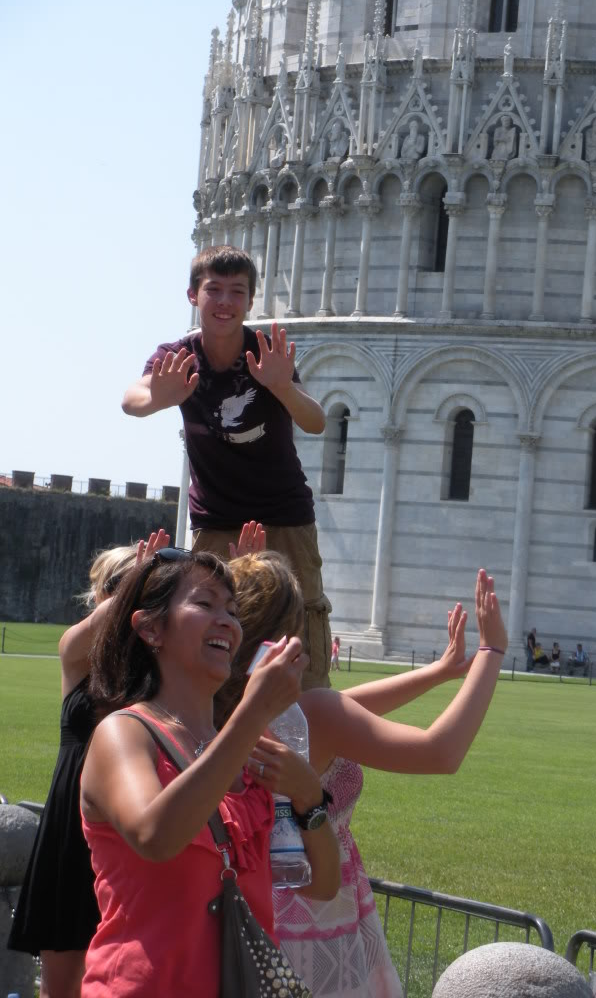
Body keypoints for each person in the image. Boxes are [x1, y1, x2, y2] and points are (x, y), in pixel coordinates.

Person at [221, 551, 509, 998]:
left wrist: (437, 672)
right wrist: (492, 652)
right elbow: (441, 752)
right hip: (319, 917)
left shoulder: (221, 705)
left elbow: (346, 708)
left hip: (255, 911)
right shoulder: (315, 715)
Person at [78, 548, 340, 997]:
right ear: (151, 628)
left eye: (233, 611)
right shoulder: (123, 734)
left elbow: (323, 884)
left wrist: (309, 797)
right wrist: (251, 716)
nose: (228, 622)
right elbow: (156, 836)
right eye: (205, 604)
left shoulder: (243, 744)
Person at [121, 245, 333, 690]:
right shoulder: (178, 356)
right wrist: (159, 397)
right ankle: (216, 727)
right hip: (216, 520)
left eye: (237, 292)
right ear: (192, 295)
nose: (224, 302)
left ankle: (309, 727)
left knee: (301, 617)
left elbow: (315, 421)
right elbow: (131, 400)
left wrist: (282, 386)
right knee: (211, 623)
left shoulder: (265, 351)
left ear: (250, 301)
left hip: (286, 515)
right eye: (213, 290)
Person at [7, 530, 169, 998]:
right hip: (71, 824)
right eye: (121, 582)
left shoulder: (153, 666)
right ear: (101, 592)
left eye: (141, 581)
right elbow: (98, 627)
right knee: (63, 974)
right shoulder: (75, 651)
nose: (131, 591)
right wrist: (140, 581)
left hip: (128, 817)